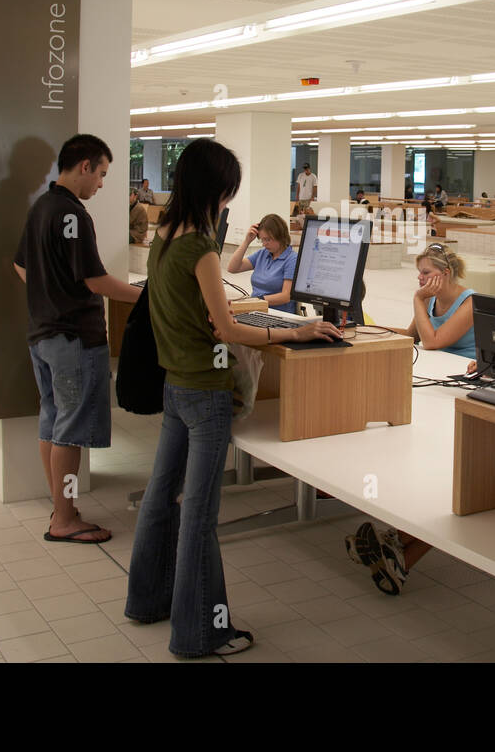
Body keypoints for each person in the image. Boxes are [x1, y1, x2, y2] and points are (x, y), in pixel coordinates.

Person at [126, 139, 341, 657]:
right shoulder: (199, 245)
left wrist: (252, 316)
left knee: (162, 494)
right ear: (216, 188)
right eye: (228, 191)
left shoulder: (163, 234)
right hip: (206, 389)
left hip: (175, 382)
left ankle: (147, 600)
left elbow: (198, 312)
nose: (228, 201)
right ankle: (202, 631)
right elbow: (224, 329)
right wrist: (293, 334)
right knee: (199, 514)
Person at [13, 134, 142, 546]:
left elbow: (20, 266)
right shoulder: (72, 213)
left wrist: (50, 293)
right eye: (102, 174)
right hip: (73, 339)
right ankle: (64, 520)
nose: (101, 184)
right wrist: (149, 295)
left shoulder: (41, 207)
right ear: (84, 166)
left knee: (52, 422)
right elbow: (95, 280)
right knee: (69, 430)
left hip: (43, 335)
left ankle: (61, 507)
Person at [348, 244, 475, 596]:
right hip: (437, 381)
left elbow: (432, 343)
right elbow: (411, 337)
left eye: (424, 273)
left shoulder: (469, 302)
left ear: (444, 274)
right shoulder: (431, 301)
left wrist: (418, 300)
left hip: (458, 386)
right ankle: (396, 545)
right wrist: (364, 328)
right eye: (418, 273)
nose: (418, 279)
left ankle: (396, 543)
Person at [225, 213, 297, 312]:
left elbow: (286, 296)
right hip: (256, 308)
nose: (264, 244)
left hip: (277, 313)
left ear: (280, 236)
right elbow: (232, 268)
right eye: (262, 240)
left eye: (268, 239)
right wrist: (247, 241)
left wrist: (258, 301)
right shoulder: (263, 253)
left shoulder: (291, 259)